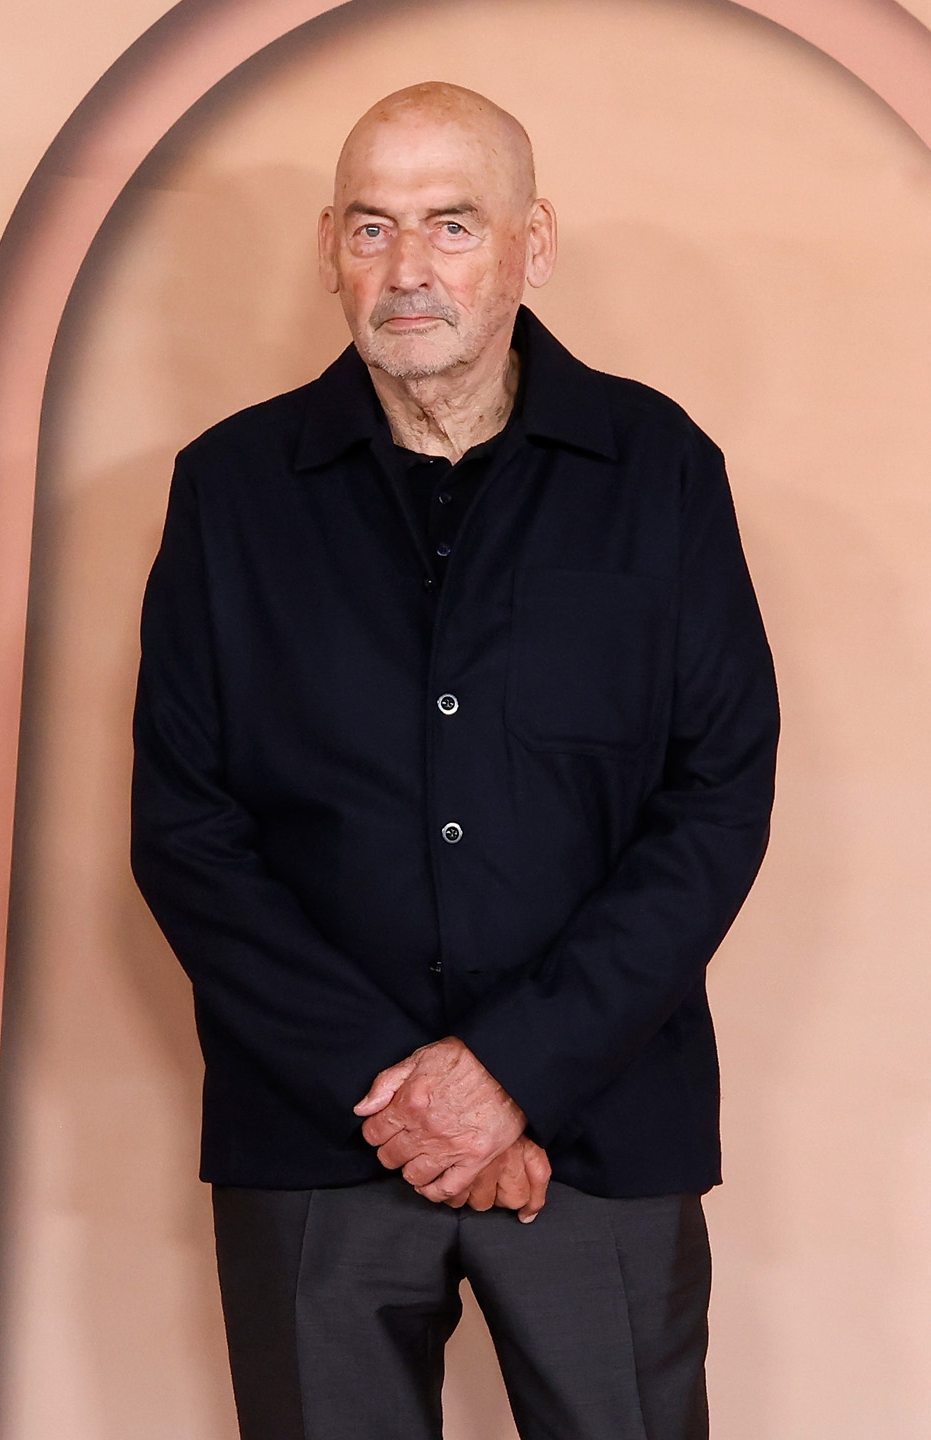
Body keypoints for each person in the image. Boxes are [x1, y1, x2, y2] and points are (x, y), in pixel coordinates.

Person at [131, 80, 778, 1440]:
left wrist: (511, 1072)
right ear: (328, 248)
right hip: (315, 1138)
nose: (407, 268)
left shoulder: (659, 471)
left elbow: (717, 797)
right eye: (372, 227)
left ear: (533, 244)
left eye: (452, 224)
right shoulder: (228, 491)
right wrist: (402, 1094)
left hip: (599, 1133)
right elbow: (186, 830)